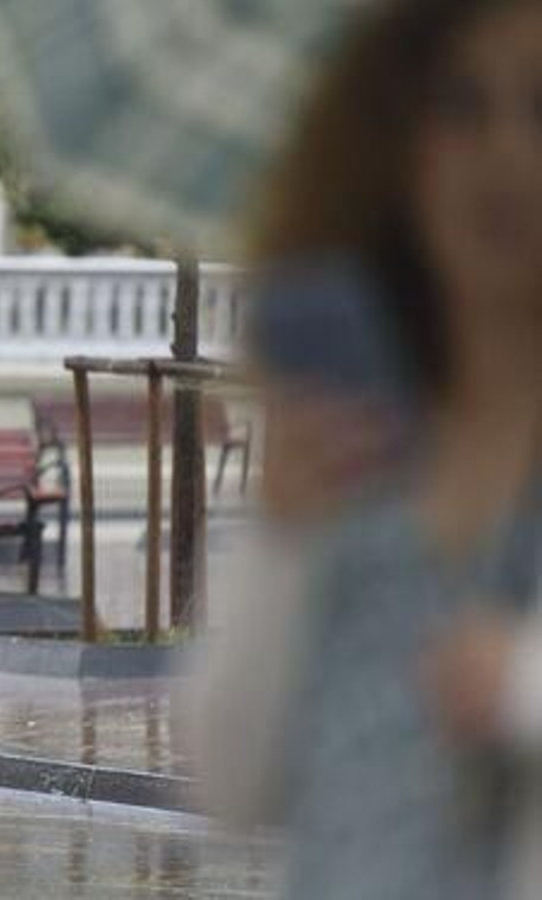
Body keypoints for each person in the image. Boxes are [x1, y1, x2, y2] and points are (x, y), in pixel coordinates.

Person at [195, 1, 542, 897]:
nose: (504, 150)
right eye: (461, 105)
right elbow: (231, 785)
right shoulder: (359, 437)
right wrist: (278, 540)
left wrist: (519, 687)